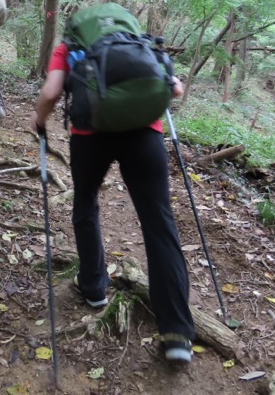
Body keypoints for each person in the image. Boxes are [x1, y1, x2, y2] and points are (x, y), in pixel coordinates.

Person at [29, 33, 195, 364]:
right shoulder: (140, 44)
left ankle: (93, 287)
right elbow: (175, 89)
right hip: (145, 136)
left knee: (86, 204)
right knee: (159, 223)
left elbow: (50, 92)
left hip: (90, 138)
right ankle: (177, 332)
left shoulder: (71, 46)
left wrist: (39, 121)